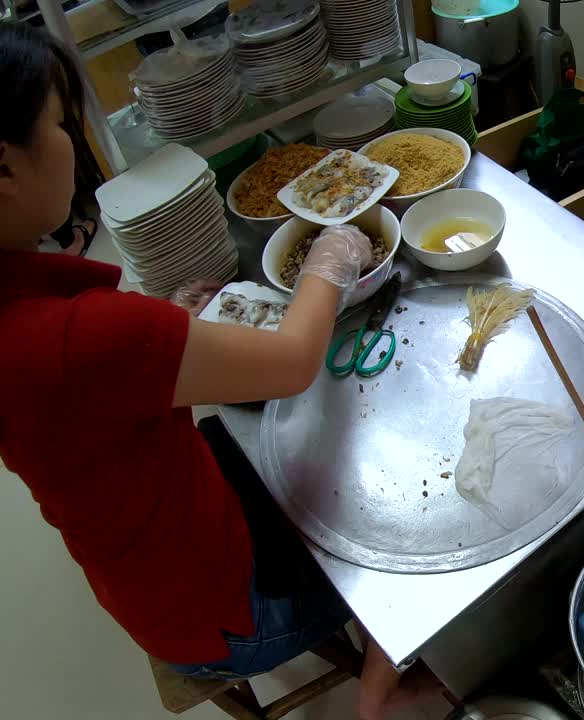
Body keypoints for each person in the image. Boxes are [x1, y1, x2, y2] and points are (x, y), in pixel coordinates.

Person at [0, 23, 430, 720]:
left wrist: (166, 336)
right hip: (230, 620)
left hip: (153, 569)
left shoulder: (30, 324)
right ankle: (383, 689)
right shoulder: (78, 339)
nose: (71, 145)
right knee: (409, 533)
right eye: (56, 124)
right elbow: (292, 364)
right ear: (4, 168)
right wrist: (330, 260)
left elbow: (86, 394)